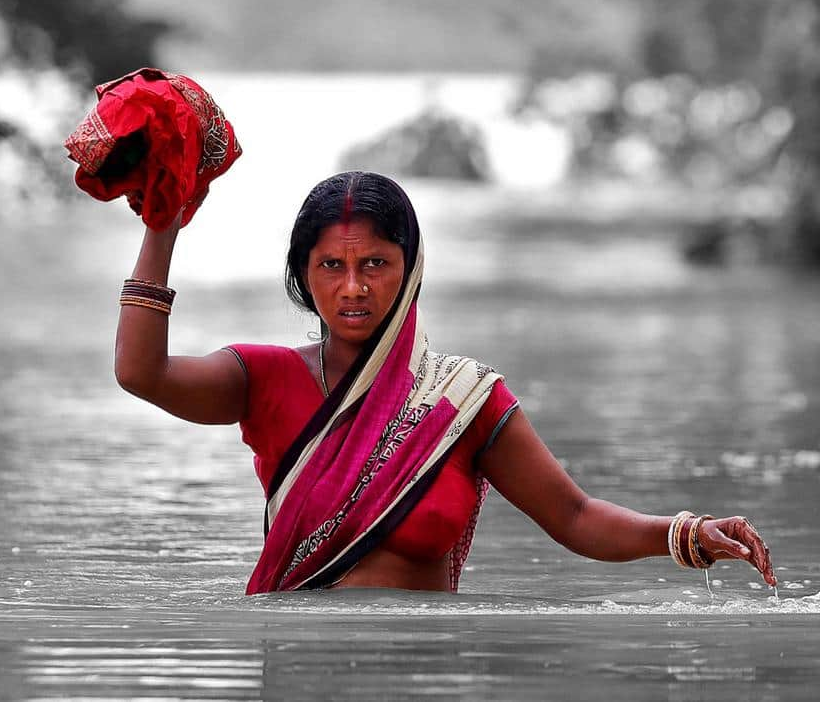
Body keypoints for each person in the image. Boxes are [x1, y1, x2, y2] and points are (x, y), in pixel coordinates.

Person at [114, 171, 777, 595]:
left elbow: (574, 517)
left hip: (425, 676)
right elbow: (141, 373)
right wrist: (161, 228)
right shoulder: (263, 377)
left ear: (411, 268)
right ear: (302, 275)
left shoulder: (464, 399)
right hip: (299, 669)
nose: (353, 287)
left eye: (376, 263)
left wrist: (685, 533)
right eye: (331, 265)